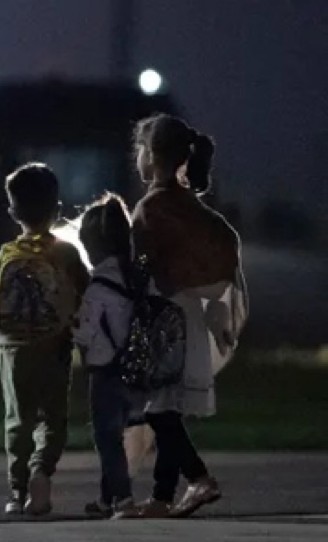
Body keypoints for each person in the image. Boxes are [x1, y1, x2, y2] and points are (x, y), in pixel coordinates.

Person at [131, 114, 249, 518]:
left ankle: (199, 478)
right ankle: (162, 498)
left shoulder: (151, 209)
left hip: (164, 320)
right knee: (169, 409)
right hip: (191, 318)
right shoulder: (197, 211)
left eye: (139, 150)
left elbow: (143, 267)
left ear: (151, 155)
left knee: (158, 411)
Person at [0, 163, 89, 516]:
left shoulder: (6, 254)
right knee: (52, 417)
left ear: (13, 212)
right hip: (55, 346)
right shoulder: (66, 253)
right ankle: (42, 470)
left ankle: (17, 490)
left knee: (18, 419)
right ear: (57, 209)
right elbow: (86, 293)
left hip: (13, 349)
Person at [73, 193, 145, 519]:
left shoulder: (98, 287)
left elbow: (87, 333)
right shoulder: (135, 278)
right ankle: (106, 498)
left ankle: (123, 498)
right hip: (134, 368)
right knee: (118, 434)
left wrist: (70, 325)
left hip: (105, 370)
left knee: (107, 439)